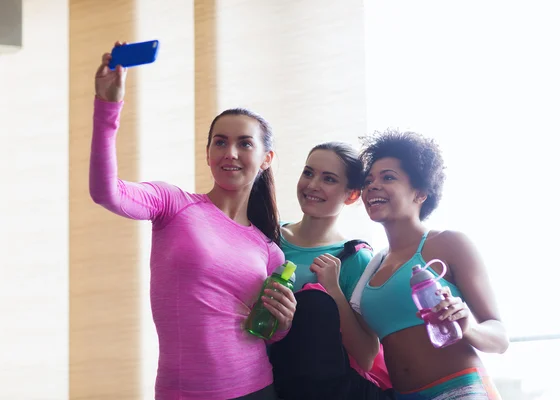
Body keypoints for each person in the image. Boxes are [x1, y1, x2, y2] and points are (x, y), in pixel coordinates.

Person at [89, 42, 296, 400]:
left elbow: (267, 333)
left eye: (245, 144)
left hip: (257, 388)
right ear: (208, 154)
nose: (230, 153)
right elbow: (106, 192)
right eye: (220, 142)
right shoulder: (173, 204)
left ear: (266, 158)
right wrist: (108, 106)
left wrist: (283, 323)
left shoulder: (270, 252)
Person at [350, 130, 508, 399]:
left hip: (460, 390)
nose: (373, 186)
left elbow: (500, 338)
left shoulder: (448, 243)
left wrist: (467, 326)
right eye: (368, 180)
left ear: (421, 193)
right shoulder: (372, 265)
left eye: (388, 177)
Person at [269, 142, 392, 399]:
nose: (313, 185)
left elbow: (367, 356)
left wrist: (334, 291)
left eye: (329, 179)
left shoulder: (355, 259)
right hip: (257, 383)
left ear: (352, 195)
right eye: (308, 172)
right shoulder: (268, 234)